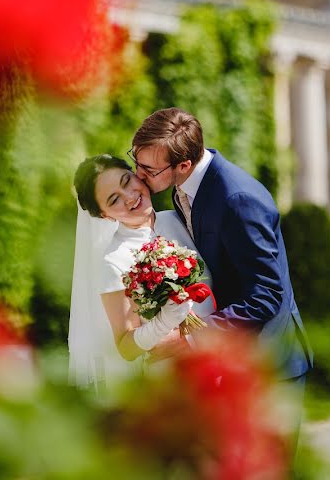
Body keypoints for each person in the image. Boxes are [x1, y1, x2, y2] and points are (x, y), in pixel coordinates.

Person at [130, 107, 313, 447]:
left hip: (270, 361)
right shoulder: (184, 186)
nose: (138, 175)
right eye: (136, 161)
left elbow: (267, 296)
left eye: (148, 169)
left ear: (183, 165)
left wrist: (190, 340)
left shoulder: (237, 199)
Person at [68, 154, 214, 391]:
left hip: (222, 355)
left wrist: (196, 338)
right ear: (105, 215)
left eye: (127, 181)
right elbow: (126, 347)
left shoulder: (181, 218)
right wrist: (163, 324)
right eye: (114, 199)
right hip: (174, 379)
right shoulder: (114, 261)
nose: (129, 197)